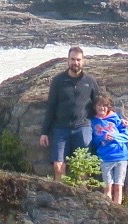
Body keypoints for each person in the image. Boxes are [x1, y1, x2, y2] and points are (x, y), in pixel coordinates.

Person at [39, 47, 99, 181]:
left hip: (83, 127)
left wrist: (115, 120)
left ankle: (81, 197)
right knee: (58, 166)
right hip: (61, 128)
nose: (75, 63)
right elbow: (51, 106)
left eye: (78, 60)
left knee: (83, 166)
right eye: (72, 59)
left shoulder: (90, 81)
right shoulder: (58, 81)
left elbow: (99, 104)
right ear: (67, 60)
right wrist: (44, 132)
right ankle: (59, 197)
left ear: (83, 61)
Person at [90, 93, 128, 204]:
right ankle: (108, 209)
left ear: (108, 107)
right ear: (94, 107)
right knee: (107, 187)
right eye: (99, 105)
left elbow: (126, 136)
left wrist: (114, 136)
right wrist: (103, 139)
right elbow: (93, 141)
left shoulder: (116, 118)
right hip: (105, 157)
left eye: (105, 105)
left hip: (121, 155)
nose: (102, 108)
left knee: (118, 187)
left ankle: (118, 211)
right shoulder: (92, 122)